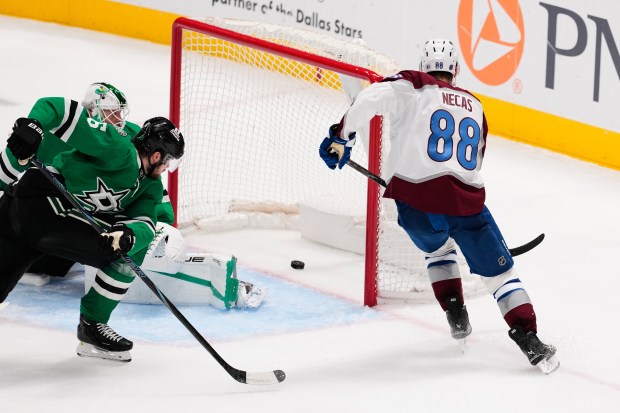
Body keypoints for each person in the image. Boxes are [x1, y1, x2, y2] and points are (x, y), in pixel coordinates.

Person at [319, 39, 559, 374]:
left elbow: (370, 97)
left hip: (414, 204)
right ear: (456, 72)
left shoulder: (412, 83)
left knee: (437, 252)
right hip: (466, 205)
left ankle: (454, 311)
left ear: (423, 65)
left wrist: (341, 136)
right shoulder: (475, 105)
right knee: (501, 276)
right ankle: (530, 339)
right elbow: (472, 164)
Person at [1, 82, 266, 309]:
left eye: (119, 114)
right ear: (91, 112)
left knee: (115, 245)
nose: (117, 121)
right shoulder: (60, 137)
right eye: (110, 114)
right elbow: (14, 167)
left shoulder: (130, 141)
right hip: (44, 209)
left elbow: (155, 201)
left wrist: (138, 226)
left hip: (84, 213)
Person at [0, 87, 184, 362]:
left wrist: (127, 234)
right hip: (41, 203)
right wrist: (33, 126)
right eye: (168, 161)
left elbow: (146, 223)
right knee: (121, 254)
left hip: (28, 214)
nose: (167, 168)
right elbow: (56, 107)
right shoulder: (116, 146)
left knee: (129, 248)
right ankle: (92, 324)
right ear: (157, 155)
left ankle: (93, 327)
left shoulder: (149, 186)